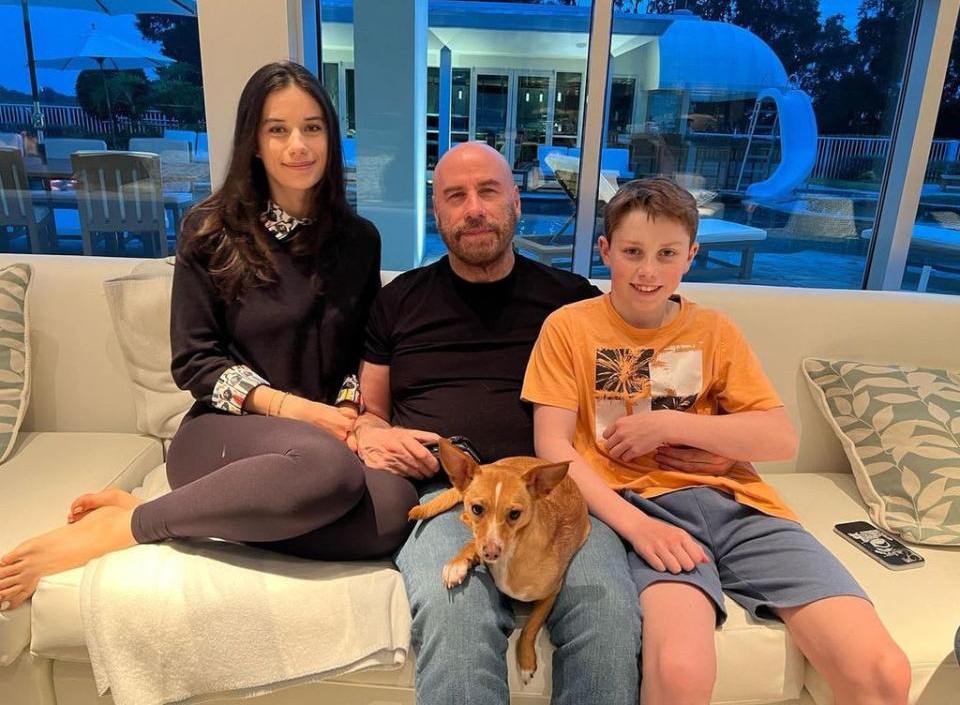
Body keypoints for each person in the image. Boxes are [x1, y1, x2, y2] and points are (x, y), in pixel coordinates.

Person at [0, 61, 418, 612]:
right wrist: (301, 412)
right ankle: (134, 523)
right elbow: (195, 362)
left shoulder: (359, 241)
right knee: (329, 471)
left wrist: (346, 414)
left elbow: (354, 355)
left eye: (313, 127)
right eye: (278, 129)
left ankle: (193, 514)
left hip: (317, 446)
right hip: (223, 435)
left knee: (395, 511)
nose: (298, 145)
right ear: (254, 142)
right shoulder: (210, 230)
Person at [522, 177, 912, 705]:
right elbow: (553, 446)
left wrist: (670, 424)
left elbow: (778, 437)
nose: (647, 270)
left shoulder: (714, 331)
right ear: (606, 251)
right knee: (681, 673)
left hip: (740, 507)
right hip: (646, 509)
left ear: (691, 257)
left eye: (667, 254)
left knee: (883, 673)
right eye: (633, 252)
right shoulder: (568, 328)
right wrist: (637, 526)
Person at [354, 141, 645, 705]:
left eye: (488, 191)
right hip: (451, 494)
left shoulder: (573, 301)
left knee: (605, 604)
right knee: (452, 608)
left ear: (515, 200)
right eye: (455, 196)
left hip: (556, 491)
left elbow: (625, 401)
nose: (474, 209)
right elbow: (370, 410)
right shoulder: (398, 301)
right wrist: (371, 434)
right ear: (436, 212)